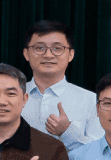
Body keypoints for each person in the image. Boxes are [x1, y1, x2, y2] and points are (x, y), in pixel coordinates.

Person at [20, 20, 99, 149]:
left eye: (57, 48)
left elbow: (98, 152)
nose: (48, 55)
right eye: (39, 48)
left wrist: (67, 132)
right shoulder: (12, 96)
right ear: (26, 54)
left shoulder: (91, 100)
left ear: (71, 55)